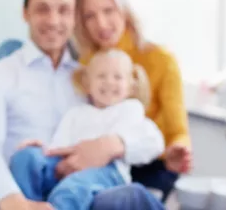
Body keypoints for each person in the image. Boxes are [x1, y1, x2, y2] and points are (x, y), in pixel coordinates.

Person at [0, 0, 164, 210]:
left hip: (85, 191)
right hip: (25, 192)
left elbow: (141, 130)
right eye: (42, 9)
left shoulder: (88, 79)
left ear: (74, 19)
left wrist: (113, 144)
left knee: (130, 196)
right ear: (25, 13)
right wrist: (14, 202)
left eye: (64, 10)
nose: (53, 21)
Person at [74, 0, 193, 201]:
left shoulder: (160, 60)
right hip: (105, 164)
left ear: (125, 12)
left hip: (152, 164)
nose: (101, 23)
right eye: (89, 16)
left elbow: (178, 131)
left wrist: (177, 150)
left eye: (108, 11)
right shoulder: (85, 66)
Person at [9, 49, 165, 210]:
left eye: (117, 77)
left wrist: (115, 146)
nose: (109, 82)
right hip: (67, 163)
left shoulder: (131, 109)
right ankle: (26, 205)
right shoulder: (76, 113)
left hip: (108, 172)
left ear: (131, 87)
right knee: (26, 158)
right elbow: (58, 147)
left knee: (70, 190)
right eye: (101, 76)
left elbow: (149, 143)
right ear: (87, 84)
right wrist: (40, 149)